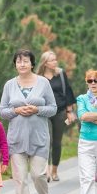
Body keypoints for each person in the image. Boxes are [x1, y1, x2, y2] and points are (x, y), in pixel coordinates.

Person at [0, 49, 57, 194]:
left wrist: (37, 109)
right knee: (20, 177)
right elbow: (2, 111)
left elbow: (53, 108)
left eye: (25, 61)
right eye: (18, 61)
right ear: (15, 64)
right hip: (16, 139)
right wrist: (15, 110)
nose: (22, 64)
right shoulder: (9, 85)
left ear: (32, 63)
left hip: (39, 138)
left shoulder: (43, 83)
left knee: (38, 175)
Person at [35, 51, 76, 182]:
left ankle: (54, 171)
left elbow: (68, 91)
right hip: (44, 113)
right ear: (45, 63)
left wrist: (69, 111)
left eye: (55, 59)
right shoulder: (38, 77)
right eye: (52, 60)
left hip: (60, 111)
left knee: (57, 142)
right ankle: (46, 170)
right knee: (47, 141)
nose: (55, 62)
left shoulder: (61, 74)